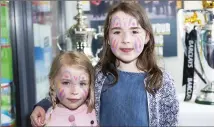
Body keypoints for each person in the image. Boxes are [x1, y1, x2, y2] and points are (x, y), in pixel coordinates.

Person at [31, 2, 179, 126]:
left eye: (134, 31)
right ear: (107, 37)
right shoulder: (99, 75)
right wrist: (42, 106)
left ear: (147, 36)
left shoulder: (162, 81)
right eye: (116, 32)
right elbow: (67, 90)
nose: (126, 39)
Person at [31, 51, 97, 126]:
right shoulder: (44, 119)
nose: (74, 91)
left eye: (82, 83)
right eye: (66, 83)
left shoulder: (97, 115)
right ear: (52, 83)